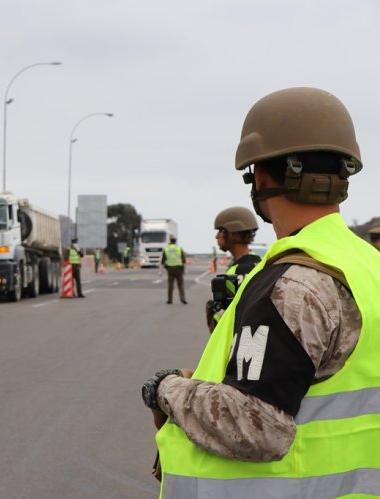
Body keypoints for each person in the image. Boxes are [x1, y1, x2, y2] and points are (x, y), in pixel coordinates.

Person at [142, 87, 380, 498]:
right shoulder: (365, 264)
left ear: (263, 178)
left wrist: (168, 389)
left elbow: (256, 427)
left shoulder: (293, 283)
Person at [205, 206, 262, 332]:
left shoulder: (233, 273)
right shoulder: (262, 264)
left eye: (220, 231)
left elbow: (226, 324)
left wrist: (212, 313)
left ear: (234, 234)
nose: (216, 236)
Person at [161, 236, 186, 304]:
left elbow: (163, 261)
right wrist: (184, 269)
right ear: (175, 241)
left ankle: (170, 299)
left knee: (170, 285)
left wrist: (164, 269)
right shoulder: (179, 248)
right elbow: (183, 260)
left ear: (170, 240)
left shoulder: (166, 249)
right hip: (179, 269)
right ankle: (182, 298)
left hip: (170, 269)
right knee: (180, 285)